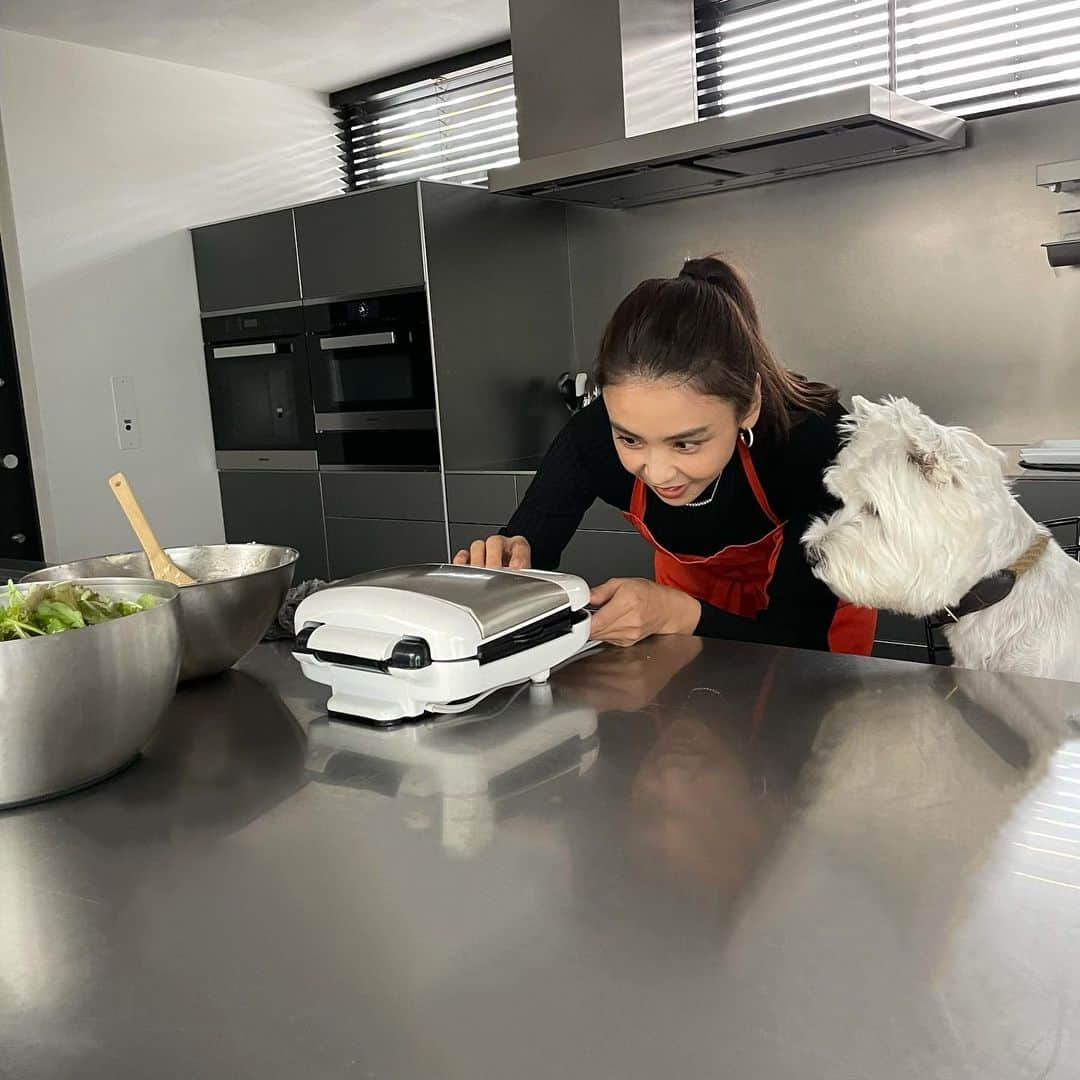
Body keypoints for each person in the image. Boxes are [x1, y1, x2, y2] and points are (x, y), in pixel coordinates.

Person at [453, 255, 877, 653]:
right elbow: (531, 553)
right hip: (680, 617)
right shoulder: (592, 437)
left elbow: (798, 638)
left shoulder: (815, 441)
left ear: (748, 405)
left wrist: (676, 612)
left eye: (686, 443)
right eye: (630, 439)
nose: (656, 474)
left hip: (804, 630)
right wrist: (509, 570)